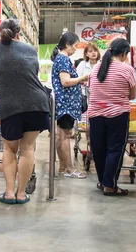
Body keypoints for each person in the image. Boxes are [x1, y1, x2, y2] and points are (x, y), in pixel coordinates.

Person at [0, 19, 50, 204]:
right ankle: (22, 194)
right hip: (37, 103)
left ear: (0, 32)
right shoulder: (30, 49)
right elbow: (33, 72)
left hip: (11, 106)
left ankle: (9, 193)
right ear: (18, 33)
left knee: (9, 148)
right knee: (28, 148)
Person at [87, 38, 136, 196]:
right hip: (117, 115)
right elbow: (132, 95)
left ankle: (103, 182)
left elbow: (92, 90)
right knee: (115, 149)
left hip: (95, 115)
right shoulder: (127, 69)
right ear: (124, 54)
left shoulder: (96, 69)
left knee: (99, 150)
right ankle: (109, 185)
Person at [51, 32, 88, 179]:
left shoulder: (61, 59)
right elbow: (65, 81)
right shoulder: (63, 59)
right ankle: (70, 168)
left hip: (64, 103)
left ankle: (62, 167)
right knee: (65, 136)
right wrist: (82, 78)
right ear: (67, 45)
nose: (76, 48)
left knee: (61, 136)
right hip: (66, 103)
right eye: (75, 45)